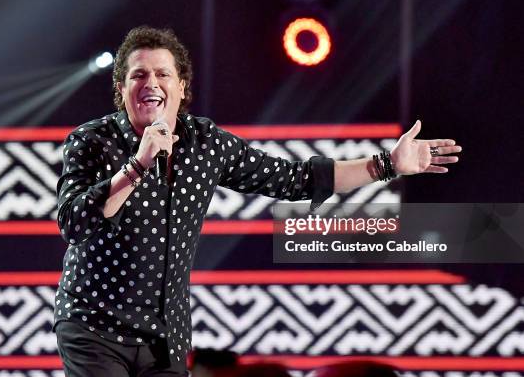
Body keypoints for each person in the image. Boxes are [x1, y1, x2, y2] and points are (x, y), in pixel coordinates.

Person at [53, 26, 462, 377]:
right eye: (138, 75)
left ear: (182, 87)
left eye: (163, 73)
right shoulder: (92, 142)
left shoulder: (206, 144)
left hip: (165, 337)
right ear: (121, 87)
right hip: (95, 328)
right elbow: (74, 221)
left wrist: (387, 164)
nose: (151, 83)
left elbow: (296, 179)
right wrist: (138, 164)